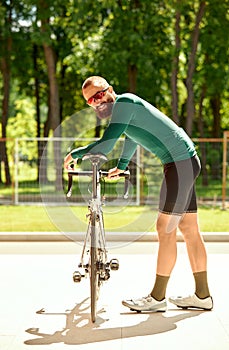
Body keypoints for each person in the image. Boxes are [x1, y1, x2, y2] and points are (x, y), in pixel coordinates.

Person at [64, 76, 213, 312]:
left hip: (179, 163)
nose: (96, 101)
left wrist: (76, 153)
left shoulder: (124, 103)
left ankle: (157, 298)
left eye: (99, 94)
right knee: (189, 229)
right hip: (184, 161)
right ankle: (202, 296)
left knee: (165, 229)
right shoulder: (124, 109)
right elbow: (132, 138)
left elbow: (105, 145)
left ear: (110, 90)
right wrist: (122, 165)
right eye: (90, 101)